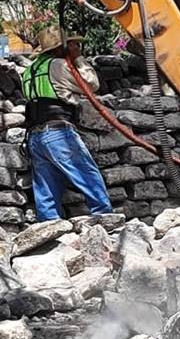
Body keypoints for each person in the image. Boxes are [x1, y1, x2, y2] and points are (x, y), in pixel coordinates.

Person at [21, 26, 114, 221]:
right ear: (60, 48)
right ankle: (105, 217)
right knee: (87, 174)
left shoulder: (29, 70)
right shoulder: (59, 66)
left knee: (46, 185)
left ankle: (49, 226)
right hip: (58, 133)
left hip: (35, 137)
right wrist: (78, 58)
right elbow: (91, 84)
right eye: (71, 45)